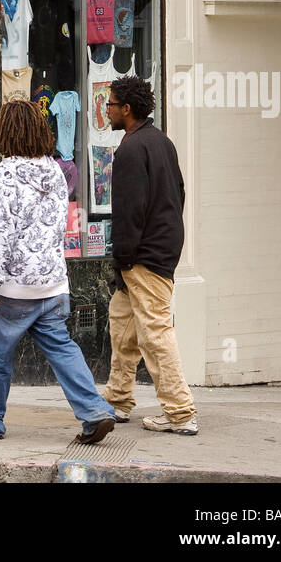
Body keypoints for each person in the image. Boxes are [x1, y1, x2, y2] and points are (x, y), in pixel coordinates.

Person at [0, 98, 115, 443]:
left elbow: (2, 229)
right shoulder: (55, 170)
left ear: (5, 134)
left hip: (14, 288)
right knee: (64, 349)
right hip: (53, 284)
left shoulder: (6, 171)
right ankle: (94, 410)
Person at [103, 76, 198, 435]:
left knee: (155, 333)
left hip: (143, 256)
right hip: (158, 249)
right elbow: (179, 193)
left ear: (126, 109)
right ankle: (117, 400)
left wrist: (125, 258)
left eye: (110, 104)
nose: (107, 109)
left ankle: (180, 412)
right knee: (123, 324)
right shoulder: (161, 142)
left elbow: (130, 212)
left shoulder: (131, 150)